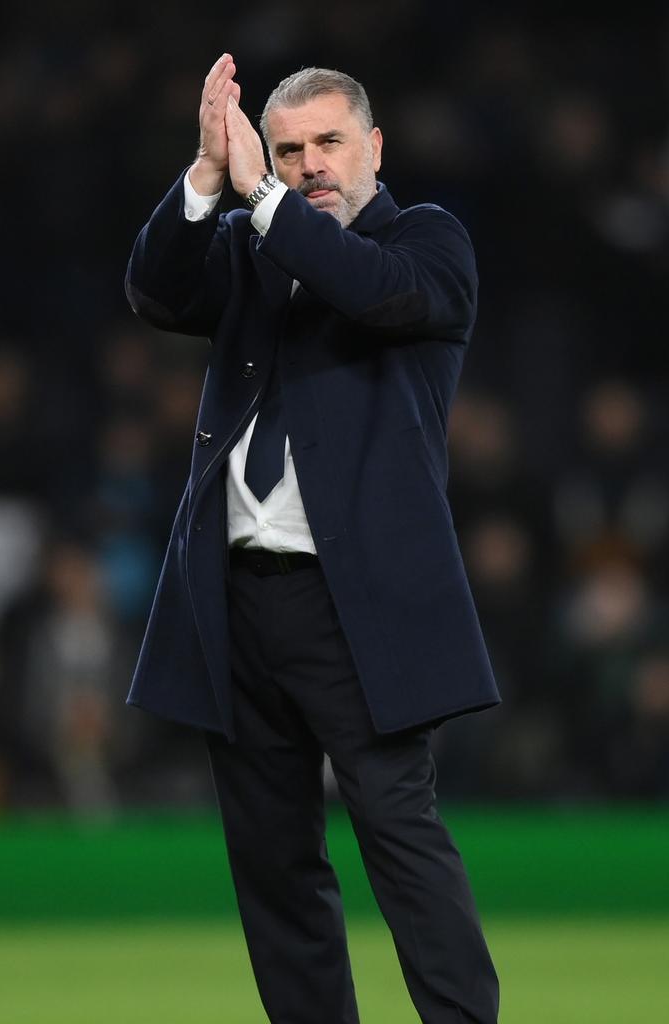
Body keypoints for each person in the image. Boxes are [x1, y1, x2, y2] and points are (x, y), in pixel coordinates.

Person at [125, 53, 500, 1024]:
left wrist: (262, 199)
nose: (309, 164)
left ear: (375, 146)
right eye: (287, 150)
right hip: (239, 597)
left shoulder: (425, 243)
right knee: (273, 860)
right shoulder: (257, 242)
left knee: (398, 836)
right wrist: (210, 175)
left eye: (329, 142)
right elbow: (159, 292)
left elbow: (370, 291)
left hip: (358, 602)